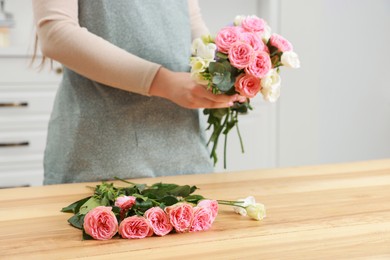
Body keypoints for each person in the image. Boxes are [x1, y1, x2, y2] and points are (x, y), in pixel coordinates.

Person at [32, 0, 242, 184]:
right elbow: (56, 33)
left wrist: (226, 70)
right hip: (100, 156)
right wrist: (164, 82)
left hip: (183, 153)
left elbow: (192, 23)